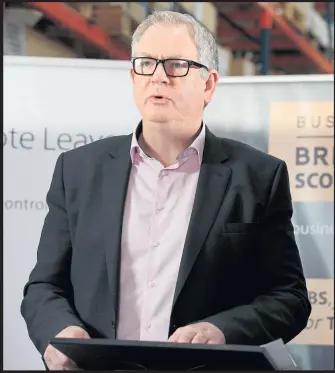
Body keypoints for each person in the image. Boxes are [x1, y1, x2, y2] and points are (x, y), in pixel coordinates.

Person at [21, 10, 311, 371]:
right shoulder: (78, 170)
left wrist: (220, 330)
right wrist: (60, 333)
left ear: (208, 85)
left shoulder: (257, 176)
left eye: (176, 65)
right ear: (132, 77)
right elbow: (44, 287)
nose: (158, 77)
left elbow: (289, 298)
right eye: (146, 63)